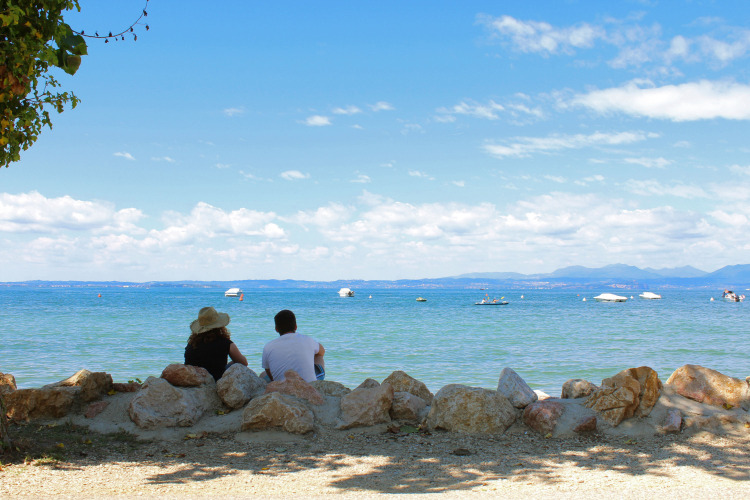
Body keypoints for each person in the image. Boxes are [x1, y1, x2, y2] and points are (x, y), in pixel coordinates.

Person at [185, 306, 248, 381]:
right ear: (219, 326)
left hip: (194, 380)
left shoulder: (192, 343)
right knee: (235, 364)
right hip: (215, 381)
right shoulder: (226, 343)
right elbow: (244, 363)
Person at [261, 309, 325, 383]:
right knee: (318, 356)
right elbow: (322, 352)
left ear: (276, 329)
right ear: (295, 327)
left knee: (263, 375)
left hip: (282, 387)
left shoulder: (268, 347)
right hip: (309, 385)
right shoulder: (308, 339)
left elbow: (269, 373)